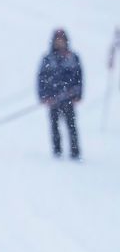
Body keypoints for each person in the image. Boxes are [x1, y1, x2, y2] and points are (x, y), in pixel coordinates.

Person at [37, 28, 83, 160]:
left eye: (62, 40)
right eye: (57, 40)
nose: (60, 43)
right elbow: (41, 78)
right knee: (54, 126)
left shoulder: (73, 58)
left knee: (71, 126)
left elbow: (79, 77)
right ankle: (57, 151)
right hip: (53, 99)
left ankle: (75, 152)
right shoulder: (48, 59)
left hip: (69, 98)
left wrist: (78, 94)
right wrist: (43, 96)